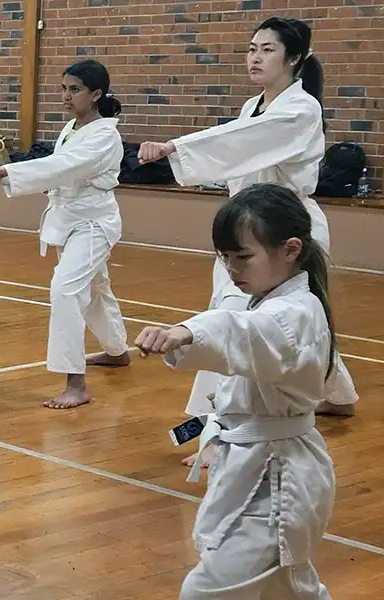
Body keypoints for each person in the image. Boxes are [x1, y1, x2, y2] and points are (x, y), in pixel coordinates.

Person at [137, 16, 357, 466]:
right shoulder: (251, 107)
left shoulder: (301, 110)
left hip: (285, 233)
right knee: (284, 323)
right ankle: (339, 394)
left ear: (295, 58)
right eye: (251, 49)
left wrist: (177, 147)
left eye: (267, 49)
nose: (255, 57)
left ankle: (216, 432)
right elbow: (238, 146)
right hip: (248, 230)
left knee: (236, 320)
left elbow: (243, 141)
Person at [136, 183, 338, 600]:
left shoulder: (294, 313)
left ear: (291, 249)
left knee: (206, 591)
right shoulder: (269, 300)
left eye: (243, 257)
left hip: (279, 478)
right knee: (287, 587)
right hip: (263, 465)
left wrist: (187, 331)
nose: (231, 268)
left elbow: (244, 333)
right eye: (224, 257)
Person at [0, 60, 131, 409]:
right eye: (64, 88)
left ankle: (76, 384)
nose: (66, 96)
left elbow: (64, 167)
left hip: (93, 225)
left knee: (65, 290)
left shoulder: (105, 136)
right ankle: (117, 351)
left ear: (96, 94)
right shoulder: (72, 127)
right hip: (70, 221)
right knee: (96, 290)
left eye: (75, 89)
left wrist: (11, 170)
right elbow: (59, 170)